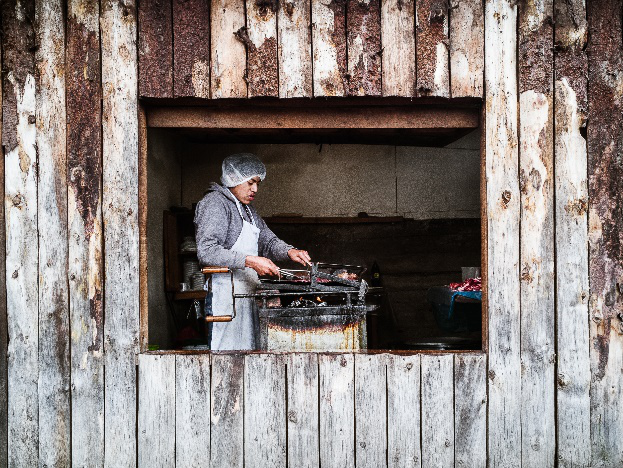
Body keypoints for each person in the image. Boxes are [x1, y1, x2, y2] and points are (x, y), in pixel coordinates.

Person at [194, 153, 311, 350]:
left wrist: (290, 251)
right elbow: (207, 251)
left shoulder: (247, 209)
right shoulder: (215, 203)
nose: (255, 189)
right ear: (234, 178)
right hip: (225, 298)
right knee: (228, 357)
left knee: (250, 354)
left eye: (257, 183)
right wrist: (251, 261)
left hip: (247, 295)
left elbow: (268, 240)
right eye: (250, 182)